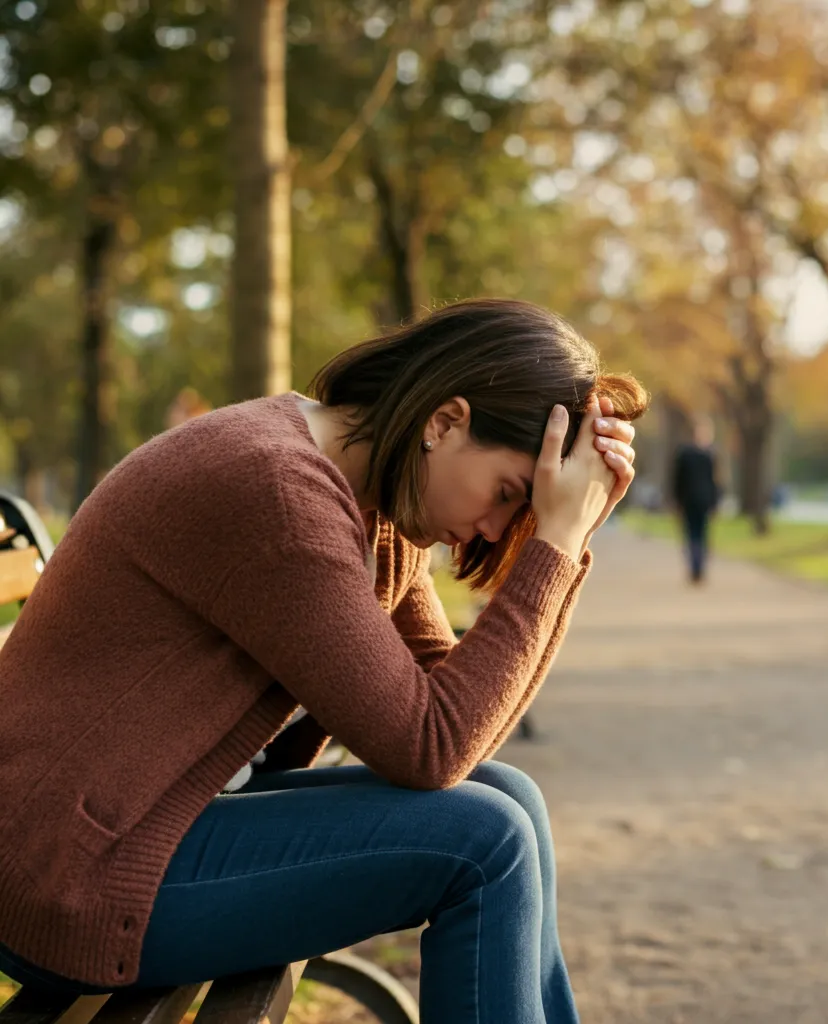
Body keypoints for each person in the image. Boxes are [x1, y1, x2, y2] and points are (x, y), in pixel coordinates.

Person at [0, 298, 648, 1024]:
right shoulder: (277, 490)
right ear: (444, 421)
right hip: (69, 872)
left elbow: (460, 720)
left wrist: (565, 541)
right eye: (506, 495)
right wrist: (553, 548)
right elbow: (431, 746)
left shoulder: (376, 494)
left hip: (154, 823)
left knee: (509, 796)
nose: (496, 529)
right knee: (484, 841)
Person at [671, 416, 720, 583]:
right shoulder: (703, 454)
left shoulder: (691, 454)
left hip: (697, 501)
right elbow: (678, 480)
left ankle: (697, 567)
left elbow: (714, 481)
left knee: (696, 535)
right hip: (694, 501)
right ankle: (696, 567)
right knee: (695, 535)